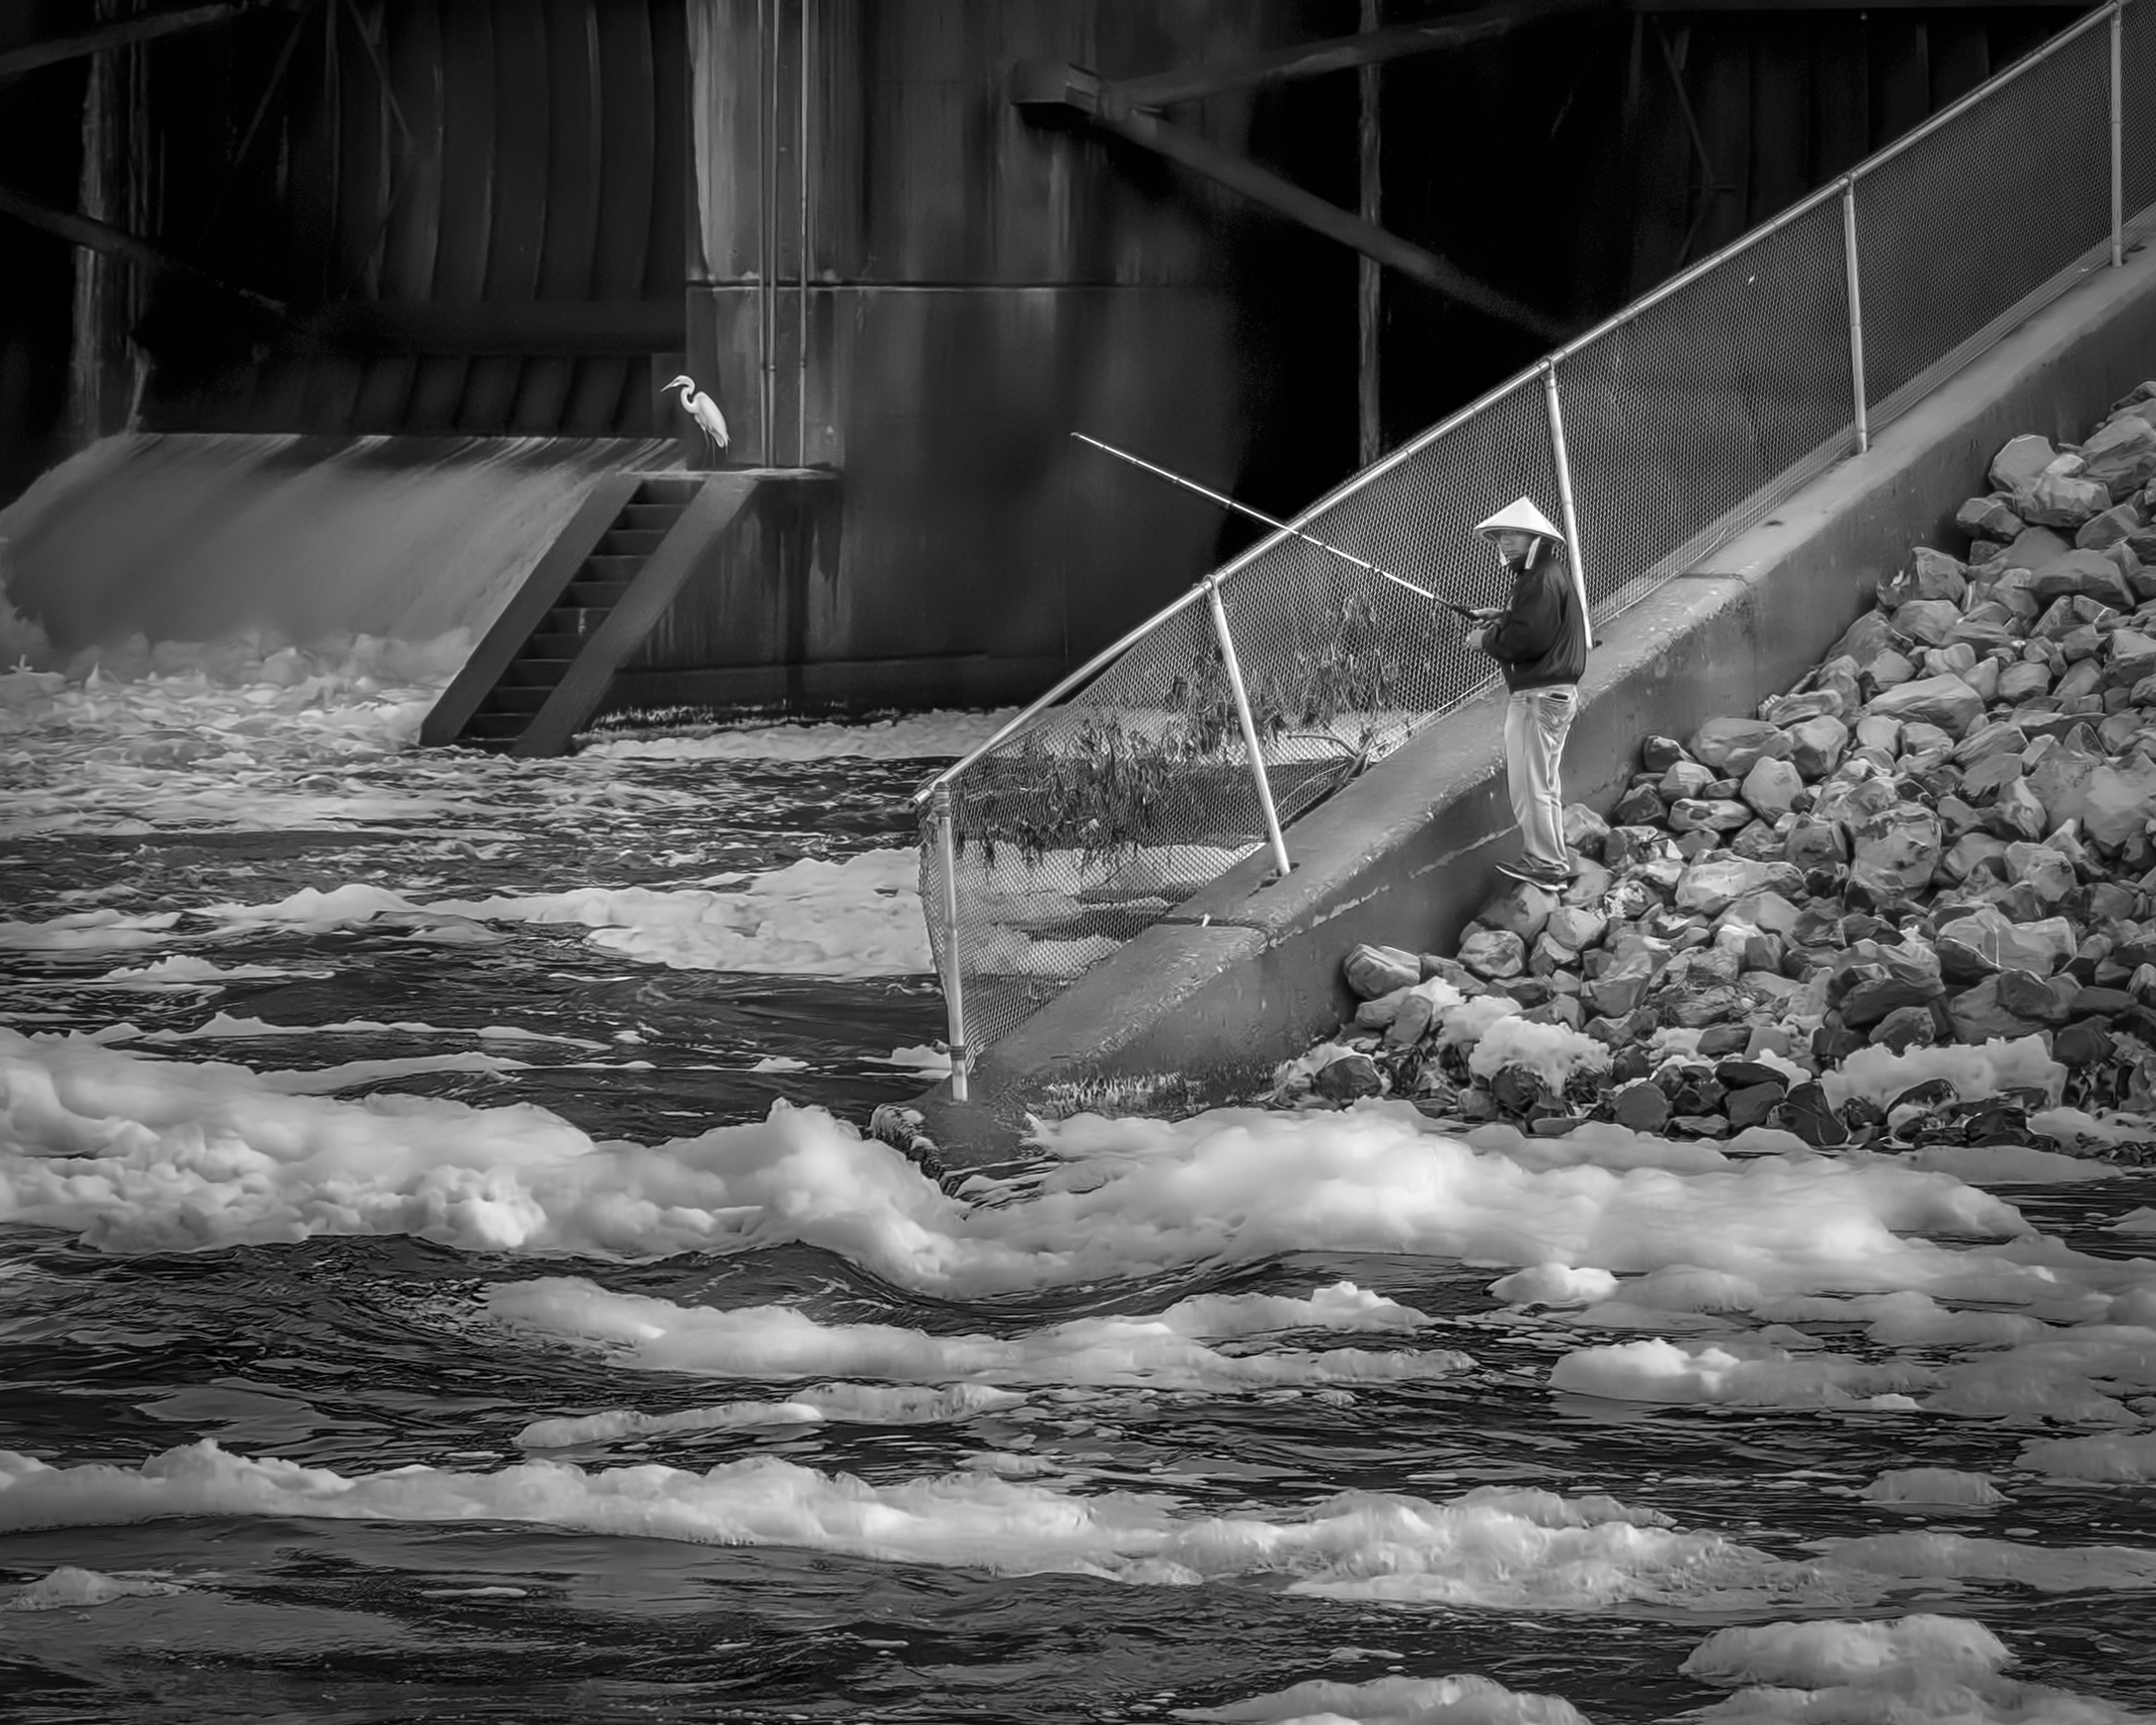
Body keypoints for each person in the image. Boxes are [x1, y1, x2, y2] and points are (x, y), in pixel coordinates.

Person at [1461, 497, 1588, 889]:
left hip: (1538, 697)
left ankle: (1546, 865)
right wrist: (1502, 617)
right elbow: (1535, 624)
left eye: (1513, 535)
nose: (1505, 543)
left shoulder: (1540, 578)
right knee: (1543, 784)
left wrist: (1486, 640)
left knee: (1529, 787)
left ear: (1535, 538)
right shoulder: (1544, 575)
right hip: (1553, 695)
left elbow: (1529, 639)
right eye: (1501, 537)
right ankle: (1552, 862)